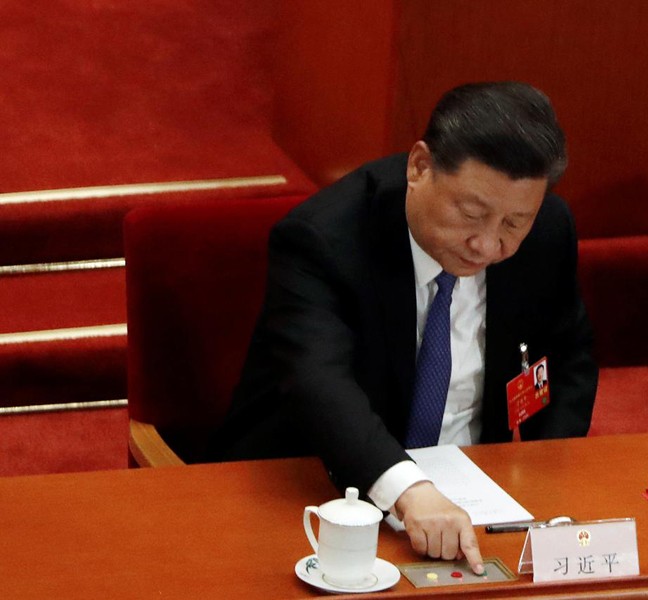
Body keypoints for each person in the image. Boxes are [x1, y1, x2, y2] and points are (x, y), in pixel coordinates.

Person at [209, 81, 598, 574]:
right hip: (316, 493)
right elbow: (318, 382)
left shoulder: (547, 232)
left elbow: (571, 356)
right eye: (472, 214)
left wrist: (544, 478)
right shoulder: (323, 238)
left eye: (512, 224)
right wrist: (409, 490)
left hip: (474, 503)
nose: (486, 245)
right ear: (419, 167)